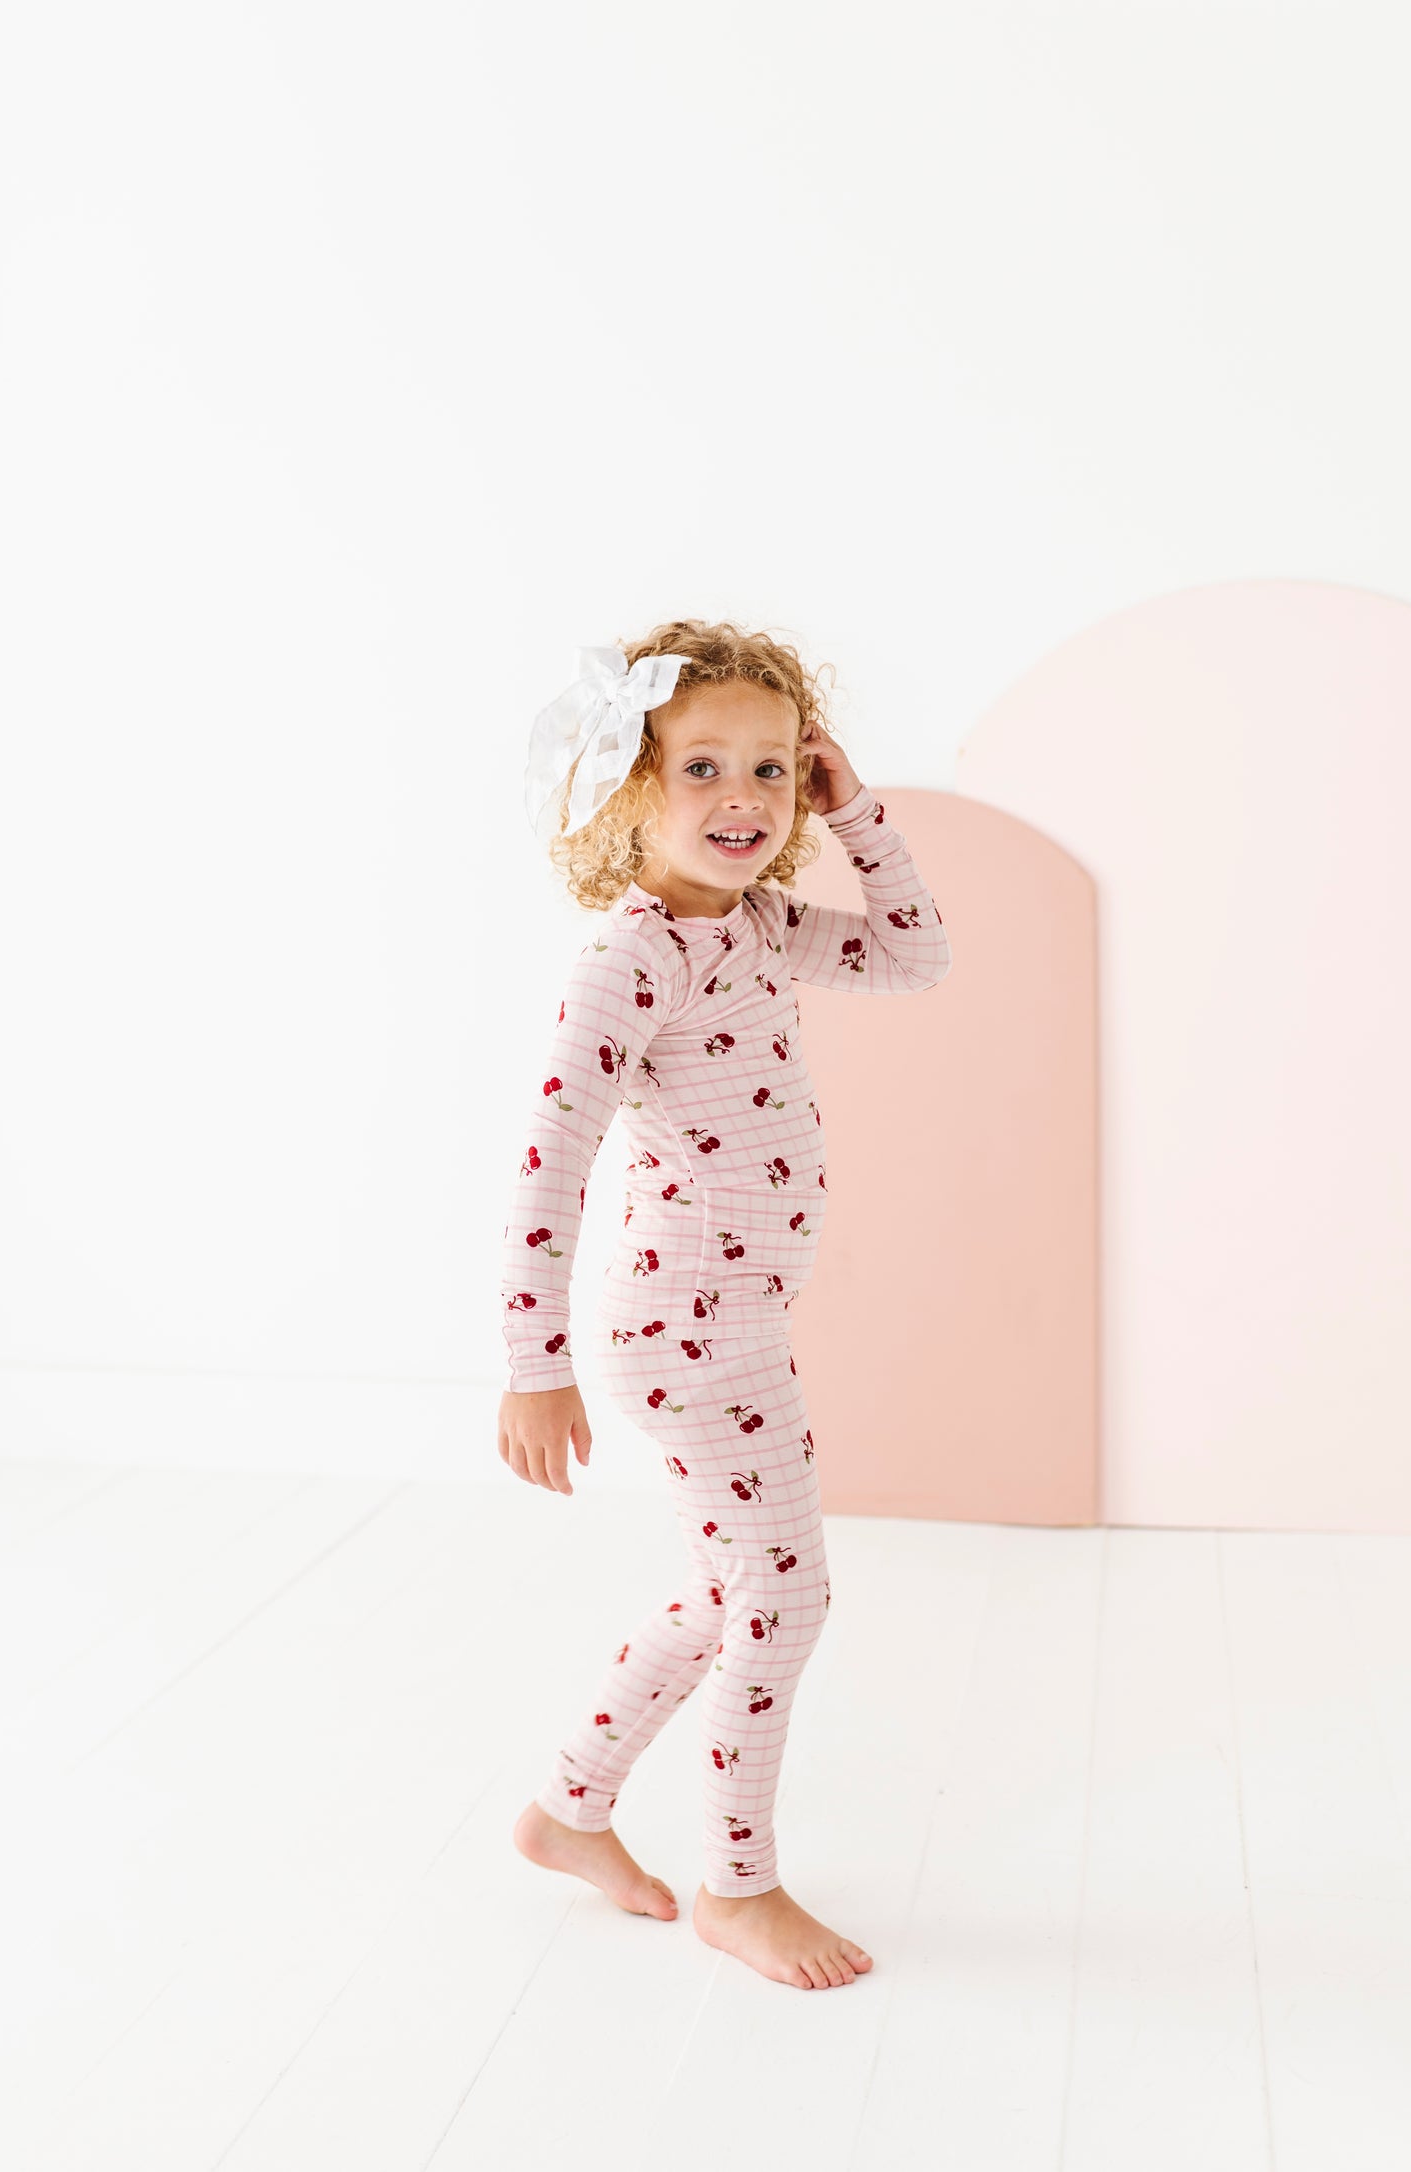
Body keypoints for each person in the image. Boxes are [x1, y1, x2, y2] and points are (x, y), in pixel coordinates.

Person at [497, 619, 951, 1990]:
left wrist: (855, 814)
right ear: (627, 784)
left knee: (729, 1587)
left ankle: (570, 1809)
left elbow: (916, 956)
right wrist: (533, 1364)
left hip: (737, 1316)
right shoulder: (629, 959)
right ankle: (736, 1888)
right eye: (701, 767)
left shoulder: (752, 925)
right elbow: (551, 1158)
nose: (743, 798)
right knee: (785, 1595)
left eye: (771, 767)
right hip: (684, 1327)